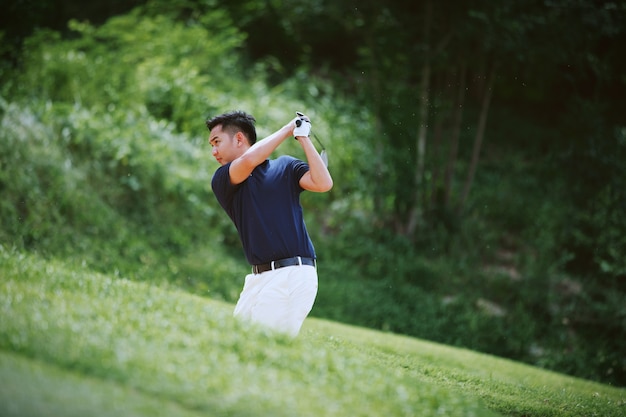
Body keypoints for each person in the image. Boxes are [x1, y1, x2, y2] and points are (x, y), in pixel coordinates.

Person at [206, 110, 333, 337]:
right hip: (257, 279)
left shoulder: (285, 166)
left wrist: (302, 137)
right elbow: (248, 160)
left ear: (238, 139)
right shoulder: (223, 179)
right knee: (235, 343)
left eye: (217, 142)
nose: (213, 151)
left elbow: (323, 183)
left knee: (260, 347)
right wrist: (288, 129)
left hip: (293, 274)